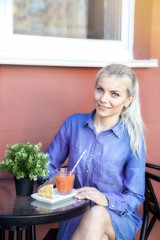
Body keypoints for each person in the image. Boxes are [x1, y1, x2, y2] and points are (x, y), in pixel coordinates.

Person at [40, 64, 146, 240]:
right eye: (100, 90)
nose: (103, 99)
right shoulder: (73, 124)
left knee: (97, 214)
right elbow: (47, 163)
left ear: (129, 100)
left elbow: (135, 196)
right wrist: (50, 179)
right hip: (75, 212)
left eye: (115, 94)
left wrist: (105, 198)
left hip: (117, 217)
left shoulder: (133, 140)